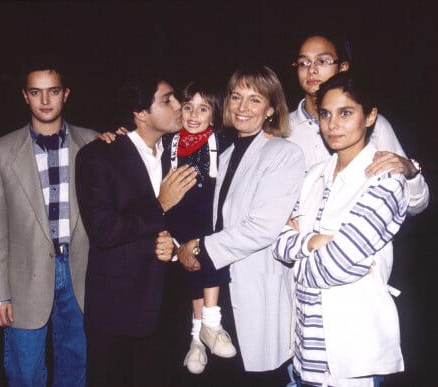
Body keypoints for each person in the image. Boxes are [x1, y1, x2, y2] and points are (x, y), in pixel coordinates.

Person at [273, 71, 408, 386]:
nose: (333, 124)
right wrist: (312, 244)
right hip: (303, 355)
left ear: (370, 116)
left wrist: (298, 254)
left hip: (352, 359)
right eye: (325, 114)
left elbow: (337, 264)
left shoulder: (386, 180)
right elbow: (276, 241)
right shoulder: (312, 176)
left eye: (346, 113)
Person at [177, 65, 305, 385]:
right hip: (216, 290)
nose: (242, 108)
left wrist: (198, 247)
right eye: (236, 97)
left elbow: (262, 228)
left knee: (257, 376)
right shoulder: (223, 152)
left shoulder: (283, 153)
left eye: (254, 100)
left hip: (254, 290)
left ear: (272, 109)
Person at [75, 74, 198, 386]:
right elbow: (103, 230)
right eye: (167, 99)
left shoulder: (181, 152)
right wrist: (159, 207)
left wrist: (175, 244)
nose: (178, 106)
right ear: (141, 113)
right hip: (118, 306)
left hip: (170, 305)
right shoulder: (99, 155)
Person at [0, 60, 97, 386]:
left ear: (66, 95)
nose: (45, 101)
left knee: (76, 366)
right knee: (25, 370)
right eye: (36, 92)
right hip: (23, 279)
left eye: (53, 91)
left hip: (82, 274)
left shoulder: (93, 143)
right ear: (25, 96)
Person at [288, 32, 429, 215]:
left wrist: (410, 171)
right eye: (304, 63)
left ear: (343, 67)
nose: (312, 70)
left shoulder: (373, 125)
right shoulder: (281, 129)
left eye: (323, 61)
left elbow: (415, 205)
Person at [161, 82, 237, 374]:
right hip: (178, 219)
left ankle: (208, 326)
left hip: (210, 220)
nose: (194, 115)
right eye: (188, 107)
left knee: (210, 258)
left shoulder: (223, 139)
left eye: (203, 109)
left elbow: (251, 141)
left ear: (215, 115)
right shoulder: (170, 141)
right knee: (192, 270)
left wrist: (268, 134)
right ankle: (199, 336)